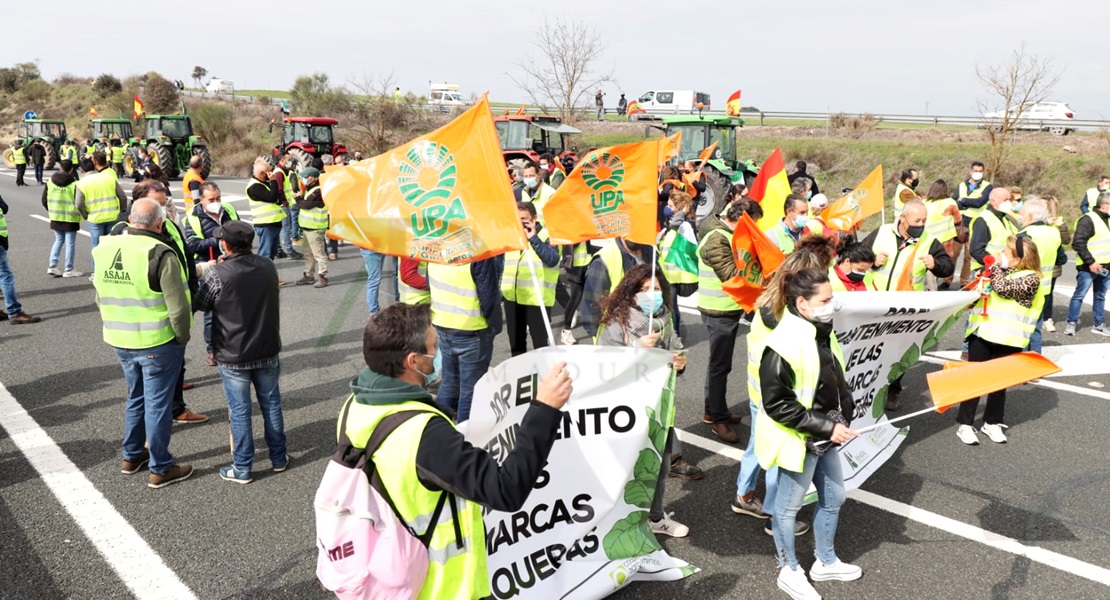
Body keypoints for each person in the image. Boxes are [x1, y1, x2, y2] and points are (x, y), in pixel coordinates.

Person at [339, 302, 572, 598]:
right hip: (439, 585)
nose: (438, 355)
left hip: (387, 566)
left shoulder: (355, 404)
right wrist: (545, 409)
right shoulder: (424, 432)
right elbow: (506, 489)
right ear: (412, 361)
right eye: (433, 348)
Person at [756, 268, 862, 599]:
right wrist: (829, 426)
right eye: (826, 300)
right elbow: (777, 404)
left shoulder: (820, 332)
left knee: (834, 497)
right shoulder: (782, 343)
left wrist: (844, 415)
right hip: (800, 439)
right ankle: (789, 570)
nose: (833, 305)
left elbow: (833, 378)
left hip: (825, 435)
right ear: (803, 303)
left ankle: (825, 561)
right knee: (788, 509)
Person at [733, 245, 832, 536]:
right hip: (782, 397)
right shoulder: (785, 316)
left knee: (758, 443)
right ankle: (775, 515)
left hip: (759, 393)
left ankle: (744, 494)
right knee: (781, 454)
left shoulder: (767, 301)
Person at [93, 198, 192, 488]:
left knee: (135, 396)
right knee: (158, 405)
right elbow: (178, 307)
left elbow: (98, 293)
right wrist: (181, 338)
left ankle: (132, 455)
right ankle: (160, 467)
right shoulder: (161, 253)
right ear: (159, 224)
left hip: (118, 337)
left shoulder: (104, 247)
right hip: (157, 341)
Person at [597, 264, 700, 535]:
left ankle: (655, 518)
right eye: (644, 290)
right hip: (626, 410)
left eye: (655, 288)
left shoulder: (664, 318)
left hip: (659, 407)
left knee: (661, 464)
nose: (651, 294)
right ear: (631, 295)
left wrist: (680, 361)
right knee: (627, 469)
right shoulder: (617, 324)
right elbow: (601, 367)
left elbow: (677, 348)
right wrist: (635, 349)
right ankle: (619, 521)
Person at [193, 221, 288, 483]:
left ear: (225, 244)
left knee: (240, 411)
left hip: (232, 351)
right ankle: (279, 457)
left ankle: (243, 466)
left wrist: (215, 268)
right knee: (271, 404)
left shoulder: (219, 274)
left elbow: (200, 302)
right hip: (266, 346)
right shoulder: (267, 265)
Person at [113, 180, 208, 425]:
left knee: (176, 363)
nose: (162, 209)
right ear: (140, 202)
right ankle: (153, 443)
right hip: (146, 315)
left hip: (177, 305)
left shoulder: (168, 225)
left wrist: (194, 290)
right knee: (147, 386)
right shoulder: (122, 231)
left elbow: (184, 258)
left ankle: (176, 408)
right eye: (157, 203)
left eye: (164, 202)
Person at [862, 200, 955, 410]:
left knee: (898, 352)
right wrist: (871, 259)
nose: (920, 225)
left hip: (905, 310)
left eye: (924, 221)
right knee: (871, 349)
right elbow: (854, 254)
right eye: (916, 220)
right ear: (902, 219)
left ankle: (893, 389)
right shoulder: (882, 232)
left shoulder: (929, 241)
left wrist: (936, 264)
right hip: (874, 305)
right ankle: (867, 388)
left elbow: (947, 266)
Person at [959, 237, 1042, 445]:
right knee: (973, 380)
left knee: (999, 384)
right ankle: (965, 424)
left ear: (1017, 259)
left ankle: (992, 422)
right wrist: (980, 280)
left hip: (1009, 338)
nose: (1000, 254)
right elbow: (974, 297)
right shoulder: (999, 273)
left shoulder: (1032, 278)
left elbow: (1004, 289)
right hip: (982, 333)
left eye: (1005, 252)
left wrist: (993, 266)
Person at [427, 255, 504, 422]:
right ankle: (464, 437)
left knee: (449, 381)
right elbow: (489, 296)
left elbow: (429, 284)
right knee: (471, 389)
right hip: (472, 328)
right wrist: (496, 326)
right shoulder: (478, 252)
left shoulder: (436, 248)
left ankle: (440, 429)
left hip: (443, 324)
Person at [696, 203, 748, 443]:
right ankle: (718, 420)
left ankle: (714, 411)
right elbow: (730, 275)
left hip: (726, 309)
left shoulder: (725, 234)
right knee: (719, 366)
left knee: (719, 365)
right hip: (719, 310)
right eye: (751, 222)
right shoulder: (718, 239)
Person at [184, 182, 240, 367]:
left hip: (232, 265)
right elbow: (192, 245)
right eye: (212, 199)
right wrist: (219, 239)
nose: (216, 202)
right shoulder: (192, 217)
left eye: (218, 198)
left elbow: (239, 232)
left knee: (235, 308)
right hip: (209, 267)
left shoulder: (229, 209)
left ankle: (234, 344)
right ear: (202, 200)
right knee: (211, 313)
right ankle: (212, 350)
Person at [502, 202, 560, 356]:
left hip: (536, 300)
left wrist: (533, 238)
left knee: (540, 346)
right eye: (517, 219)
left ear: (534, 219)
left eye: (524, 219)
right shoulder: (512, 236)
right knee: (516, 345)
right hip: (512, 299)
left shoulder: (546, 235)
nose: (520, 223)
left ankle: (543, 376)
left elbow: (552, 259)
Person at [580, 236, 654, 339]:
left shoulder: (653, 254)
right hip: (618, 340)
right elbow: (591, 307)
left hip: (652, 333)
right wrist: (606, 342)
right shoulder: (604, 260)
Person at [1019, 198, 1066, 354]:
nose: (1019, 216)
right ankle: (1035, 363)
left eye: (1022, 214)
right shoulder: (1054, 232)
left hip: (1024, 287)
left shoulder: (1024, 234)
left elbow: (1015, 262)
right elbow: (1062, 259)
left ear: (1031, 216)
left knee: (1022, 329)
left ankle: (1020, 366)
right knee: (1036, 327)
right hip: (1044, 288)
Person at [1065, 192, 1110, 337]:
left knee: (1100, 296)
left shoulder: (1107, 220)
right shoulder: (1088, 219)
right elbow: (1078, 243)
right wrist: (1090, 262)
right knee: (1079, 295)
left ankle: (1099, 324)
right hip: (1088, 266)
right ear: (1104, 205)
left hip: (1106, 266)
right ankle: (1071, 323)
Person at [75, 151, 128, 272]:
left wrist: (85, 215)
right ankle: (114, 272)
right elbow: (123, 197)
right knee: (113, 245)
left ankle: (97, 273)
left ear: (82, 170)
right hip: (113, 217)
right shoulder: (109, 178)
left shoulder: (81, 183)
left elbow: (78, 204)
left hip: (95, 219)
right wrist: (121, 211)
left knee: (97, 246)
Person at [658, 191, 699, 334]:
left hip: (673, 275)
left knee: (671, 308)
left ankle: (675, 336)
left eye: (670, 205)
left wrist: (681, 212)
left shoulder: (684, 225)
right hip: (666, 273)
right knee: (669, 307)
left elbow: (676, 226)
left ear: (679, 208)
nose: (667, 208)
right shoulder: (672, 222)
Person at [952, 161, 993, 286]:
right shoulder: (961, 185)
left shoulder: (987, 186)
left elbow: (980, 203)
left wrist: (963, 200)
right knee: (954, 253)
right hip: (960, 222)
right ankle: (947, 280)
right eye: (975, 171)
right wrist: (969, 201)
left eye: (980, 171)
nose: (978, 173)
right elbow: (954, 202)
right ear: (970, 171)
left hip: (976, 223)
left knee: (969, 255)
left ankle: (964, 282)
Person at [42, 160, 83, 278]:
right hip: (71, 217)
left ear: (60, 167)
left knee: (59, 240)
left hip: (55, 216)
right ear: (71, 169)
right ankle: (68, 269)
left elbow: (44, 200)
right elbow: (79, 201)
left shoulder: (50, 182)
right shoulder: (75, 184)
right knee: (70, 243)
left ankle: (52, 265)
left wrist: (51, 209)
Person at [291, 166, 329, 288]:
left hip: (316, 227)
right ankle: (309, 275)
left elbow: (306, 205)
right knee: (308, 253)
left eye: (306, 177)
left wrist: (297, 199)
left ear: (312, 178)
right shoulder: (309, 189)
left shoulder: (318, 191)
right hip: (307, 227)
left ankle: (323, 277)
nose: (303, 179)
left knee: (319, 254)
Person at [922, 179, 961, 290]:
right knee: (941, 263)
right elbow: (958, 219)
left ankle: (931, 287)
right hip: (945, 238)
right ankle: (934, 289)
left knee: (929, 262)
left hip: (928, 238)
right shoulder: (950, 202)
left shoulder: (925, 203)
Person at [1040, 197, 1071, 333]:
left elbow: (1066, 240)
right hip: (1037, 262)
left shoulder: (1058, 221)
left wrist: (1061, 226)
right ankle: (1037, 318)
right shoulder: (1038, 220)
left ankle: (1047, 319)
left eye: (1043, 206)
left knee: (1048, 293)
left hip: (1052, 266)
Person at [245, 159, 284, 260]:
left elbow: (278, 197)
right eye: (269, 172)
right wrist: (274, 181)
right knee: (265, 254)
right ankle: (261, 274)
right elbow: (272, 197)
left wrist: (275, 198)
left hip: (274, 223)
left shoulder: (263, 183)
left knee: (272, 253)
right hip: (266, 225)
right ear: (262, 173)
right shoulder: (254, 187)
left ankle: (269, 273)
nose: (271, 174)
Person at [272, 153, 302, 259]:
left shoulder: (283, 172)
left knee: (283, 228)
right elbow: (280, 189)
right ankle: (289, 251)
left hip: (286, 203)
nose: (290, 161)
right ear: (282, 160)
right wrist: (284, 201)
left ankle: (280, 250)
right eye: (288, 159)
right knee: (286, 228)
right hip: (283, 204)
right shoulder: (279, 173)